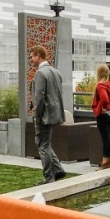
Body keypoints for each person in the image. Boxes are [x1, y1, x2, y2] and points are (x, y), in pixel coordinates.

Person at [29, 45, 67, 184]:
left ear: (38, 56)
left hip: (44, 116)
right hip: (55, 115)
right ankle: (58, 170)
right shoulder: (56, 72)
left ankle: (49, 178)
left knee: (42, 145)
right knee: (45, 143)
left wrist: (37, 116)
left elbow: (39, 98)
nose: (31, 60)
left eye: (32, 56)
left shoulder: (40, 73)